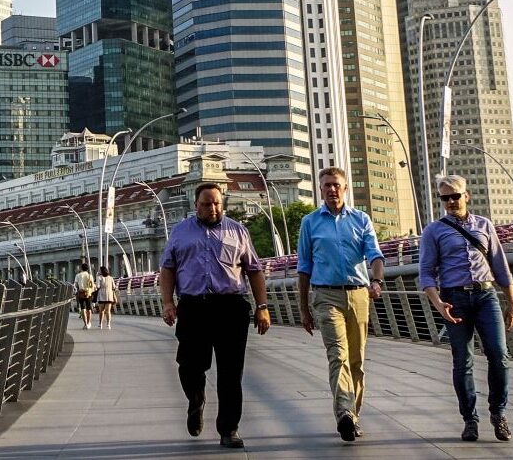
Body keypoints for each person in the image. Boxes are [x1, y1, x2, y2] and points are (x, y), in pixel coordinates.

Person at [160, 182, 270, 449]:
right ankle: (196, 400)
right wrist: (167, 302)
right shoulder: (179, 232)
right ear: (195, 205)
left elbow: (254, 270)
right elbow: (167, 269)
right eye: (207, 204)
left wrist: (262, 306)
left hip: (230, 306)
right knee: (189, 366)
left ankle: (229, 428)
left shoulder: (238, 231)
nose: (213, 208)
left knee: (231, 372)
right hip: (193, 307)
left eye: (217, 203)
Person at [419, 175, 513, 442]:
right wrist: (438, 303)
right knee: (462, 361)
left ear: (466, 196)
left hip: (487, 297)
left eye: (455, 196)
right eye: (445, 198)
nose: (451, 201)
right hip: (454, 299)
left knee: (499, 354)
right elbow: (426, 273)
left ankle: (498, 413)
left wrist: (512, 300)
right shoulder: (433, 231)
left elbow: (500, 265)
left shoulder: (484, 225)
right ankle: (470, 419)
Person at [296, 167, 384, 442]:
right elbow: (304, 267)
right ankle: (344, 413)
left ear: (345, 188)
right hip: (326, 295)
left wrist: (377, 280)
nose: (331, 190)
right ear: (320, 190)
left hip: (359, 294)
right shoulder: (309, 223)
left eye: (336, 185)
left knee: (356, 360)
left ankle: (353, 416)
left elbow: (375, 254)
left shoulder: (361, 220)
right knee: (338, 354)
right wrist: (303, 307)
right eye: (326, 186)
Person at [73, 262, 96, 329]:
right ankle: (89, 323)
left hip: (81, 293)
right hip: (88, 293)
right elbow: (91, 285)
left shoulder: (78, 275)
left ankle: (85, 324)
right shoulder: (90, 276)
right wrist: (90, 292)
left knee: (83, 308)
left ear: (81, 268)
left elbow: (76, 285)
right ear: (87, 269)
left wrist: (78, 289)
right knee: (89, 308)